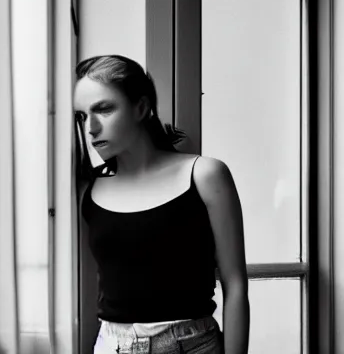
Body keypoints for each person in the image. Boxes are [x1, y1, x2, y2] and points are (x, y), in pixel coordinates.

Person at [73, 54, 249, 354]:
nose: (91, 128)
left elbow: (236, 286)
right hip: (110, 345)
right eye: (81, 116)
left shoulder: (205, 175)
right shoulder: (87, 190)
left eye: (103, 109)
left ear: (141, 107)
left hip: (191, 344)